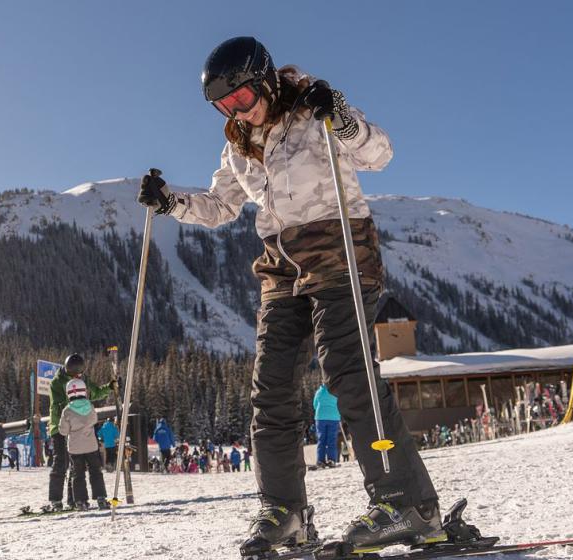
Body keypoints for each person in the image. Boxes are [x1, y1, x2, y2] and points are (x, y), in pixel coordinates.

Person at [137, 36, 441, 555]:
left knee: (347, 371)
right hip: (281, 263)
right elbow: (220, 206)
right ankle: (285, 511)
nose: (236, 111)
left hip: (340, 246)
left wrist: (340, 116)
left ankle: (405, 502)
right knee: (271, 386)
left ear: (266, 80)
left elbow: (380, 153)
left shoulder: (314, 107)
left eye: (242, 98)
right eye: (223, 106)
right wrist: (170, 203)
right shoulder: (237, 144)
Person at [44, 353, 113, 512]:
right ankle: (55, 499)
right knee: (61, 462)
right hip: (61, 425)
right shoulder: (57, 382)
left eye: (80, 374)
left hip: (78, 425)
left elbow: (94, 392)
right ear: (68, 370)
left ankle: (75, 499)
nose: (78, 376)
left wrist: (109, 387)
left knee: (76, 465)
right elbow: (61, 405)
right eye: (75, 374)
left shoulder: (83, 379)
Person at [58, 379, 110, 510]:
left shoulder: (67, 410)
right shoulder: (90, 406)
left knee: (78, 474)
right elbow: (94, 420)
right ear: (84, 391)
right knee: (95, 472)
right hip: (91, 446)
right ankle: (101, 498)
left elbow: (63, 431)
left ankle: (80, 501)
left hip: (75, 449)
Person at [313, 381, 341, 468]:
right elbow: (339, 403)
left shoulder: (319, 392)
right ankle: (331, 460)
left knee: (321, 439)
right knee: (331, 439)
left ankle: (320, 460)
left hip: (320, 417)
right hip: (333, 417)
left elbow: (315, 404)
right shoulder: (335, 391)